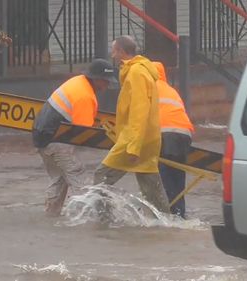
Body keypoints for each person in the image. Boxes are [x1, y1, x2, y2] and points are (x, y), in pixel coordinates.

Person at [93, 36, 170, 213]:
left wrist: (133, 146)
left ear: (121, 51)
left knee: (102, 176)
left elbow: (139, 111)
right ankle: (168, 223)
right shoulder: (138, 71)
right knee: (151, 187)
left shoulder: (136, 73)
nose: (112, 54)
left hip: (134, 140)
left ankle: (104, 220)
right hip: (146, 139)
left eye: (114, 50)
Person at [32, 59, 116, 216]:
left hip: (42, 137)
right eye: (105, 82)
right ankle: (86, 217)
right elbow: (84, 131)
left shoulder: (78, 82)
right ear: (96, 79)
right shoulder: (85, 96)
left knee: (60, 179)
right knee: (77, 175)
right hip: (56, 140)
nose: (107, 86)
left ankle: (51, 216)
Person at [153, 62, 194, 218]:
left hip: (163, 133)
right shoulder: (171, 90)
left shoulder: (147, 88)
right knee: (177, 176)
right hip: (184, 134)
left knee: (162, 176)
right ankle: (179, 213)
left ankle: (165, 214)